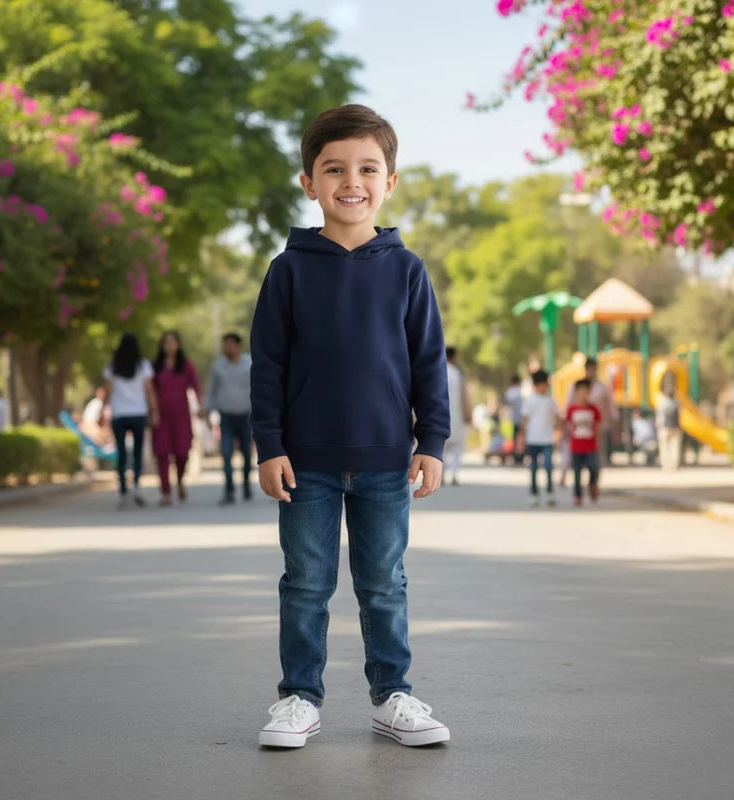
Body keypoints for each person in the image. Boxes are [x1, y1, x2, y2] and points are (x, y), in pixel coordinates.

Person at [250, 104, 450, 749]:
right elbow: (269, 366)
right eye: (333, 168)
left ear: (390, 180)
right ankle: (298, 699)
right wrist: (269, 446)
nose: (351, 181)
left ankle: (394, 695)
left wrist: (434, 443)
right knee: (306, 583)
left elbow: (427, 363)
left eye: (368, 168)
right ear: (309, 181)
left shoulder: (407, 269)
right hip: (304, 460)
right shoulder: (288, 270)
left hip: (387, 459)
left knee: (383, 583)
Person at [103, 333, 158, 509]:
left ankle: (123, 491)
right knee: (136, 452)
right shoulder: (143, 366)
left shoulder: (113, 367)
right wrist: (155, 411)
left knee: (121, 453)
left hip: (119, 413)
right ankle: (136, 485)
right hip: (138, 412)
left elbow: (108, 392)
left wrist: (102, 411)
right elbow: (149, 391)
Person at [152, 331, 203, 506]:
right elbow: (149, 391)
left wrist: (201, 406)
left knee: (182, 452)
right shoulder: (156, 366)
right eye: (166, 342)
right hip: (161, 416)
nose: (169, 345)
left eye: (172, 342)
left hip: (181, 415)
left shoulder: (186, 365)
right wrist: (152, 412)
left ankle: (180, 480)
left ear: (178, 344)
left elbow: (196, 386)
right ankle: (166, 492)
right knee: (162, 453)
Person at [205, 332, 253, 505]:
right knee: (226, 453)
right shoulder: (218, 366)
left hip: (246, 416)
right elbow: (212, 390)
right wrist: (207, 409)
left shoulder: (249, 364)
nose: (228, 348)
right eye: (225, 344)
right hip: (226, 416)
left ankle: (247, 483)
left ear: (238, 346)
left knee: (247, 454)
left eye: (231, 344)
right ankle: (229, 490)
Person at [565, 357, 618, 474]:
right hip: (578, 426)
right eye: (589, 369)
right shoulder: (576, 386)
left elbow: (610, 405)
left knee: (597, 455)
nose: (591, 372)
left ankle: (594, 481)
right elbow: (568, 404)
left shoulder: (602, 387)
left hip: (597, 425)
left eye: (593, 369)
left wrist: (614, 421)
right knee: (575, 455)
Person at [521, 370, 560, 507]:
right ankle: (534, 493)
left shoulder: (550, 400)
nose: (543, 387)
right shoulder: (530, 400)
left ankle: (550, 491)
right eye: (540, 385)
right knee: (534, 468)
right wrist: (521, 437)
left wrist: (558, 432)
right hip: (533, 439)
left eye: (545, 385)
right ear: (535, 385)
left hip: (547, 439)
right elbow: (524, 420)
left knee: (548, 466)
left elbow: (558, 417)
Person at [566, 378, 602, 507]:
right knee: (576, 473)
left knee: (593, 468)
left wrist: (598, 441)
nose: (583, 394)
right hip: (576, 446)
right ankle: (577, 495)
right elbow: (567, 426)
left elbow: (598, 426)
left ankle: (592, 484)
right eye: (581, 391)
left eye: (586, 391)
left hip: (590, 446)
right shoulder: (572, 409)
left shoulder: (593, 409)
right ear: (576, 393)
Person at [444, 346, 471, 485]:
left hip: (441, 415)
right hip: (456, 415)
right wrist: (468, 414)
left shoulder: (438, 371)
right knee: (456, 448)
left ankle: (441, 474)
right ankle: (454, 473)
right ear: (454, 357)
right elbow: (464, 396)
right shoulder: (457, 373)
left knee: (441, 447)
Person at [655, 386, 682, 470]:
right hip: (675, 427)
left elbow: (659, 417)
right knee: (675, 447)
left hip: (664, 428)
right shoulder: (677, 403)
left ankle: (665, 465)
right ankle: (674, 465)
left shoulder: (661, 404)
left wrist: (658, 426)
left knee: (664, 447)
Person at [504, 374, 524, 462]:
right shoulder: (519, 391)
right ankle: (518, 455)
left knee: (514, 438)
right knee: (519, 438)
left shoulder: (510, 392)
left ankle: (515, 455)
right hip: (519, 418)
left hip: (512, 418)